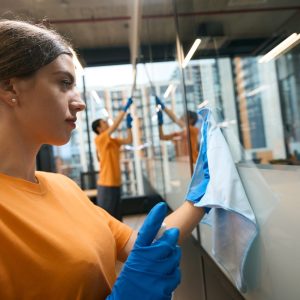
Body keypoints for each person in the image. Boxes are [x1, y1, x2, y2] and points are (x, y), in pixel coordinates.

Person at [0, 19, 206, 300]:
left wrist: (198, 200)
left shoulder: (64, 187)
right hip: (108, 181)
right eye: (63, 83)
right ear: (11, 88)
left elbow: (145, 246)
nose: (80, 102)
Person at [92, 101, 133, 221]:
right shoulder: (100, 139)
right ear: (99, 129)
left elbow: (129, 140)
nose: (107, 123)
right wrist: (124, 110)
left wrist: (129, 126)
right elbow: (115, 126)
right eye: (104, 122)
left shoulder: (113, 141)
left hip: (116, 183)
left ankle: (119, 240)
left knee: (117, 217)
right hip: (106, 184)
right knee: (108, 219)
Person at [156, 96, 199, 163]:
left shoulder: (194, 131)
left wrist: (163, 107)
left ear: (191, 120)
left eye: (184, 116)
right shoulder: (180, 134)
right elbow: (162, 137)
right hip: (183, 164)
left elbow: (175, 120)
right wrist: (160, 123)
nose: (181, 117)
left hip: (193, 164)